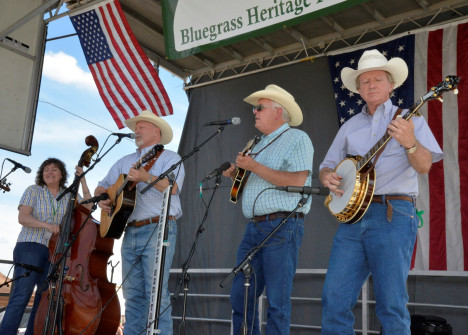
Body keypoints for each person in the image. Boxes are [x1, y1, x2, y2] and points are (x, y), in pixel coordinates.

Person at [319, 49, 444, 334]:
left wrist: (410, 142)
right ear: (358, 89)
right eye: (365, 81)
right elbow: (326, 166)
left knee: (391, 304)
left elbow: (425, 166)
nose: (371, 85)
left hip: (393, 213)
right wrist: (328, 177)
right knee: (334, 299)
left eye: (377, 79)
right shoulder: (350, 126)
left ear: (391, 85)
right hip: (352, 220)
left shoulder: (410, 120)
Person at [222, 84, 314, 334]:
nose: (254, 112)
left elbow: (297, 181)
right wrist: (236, 176)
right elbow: (251, 183)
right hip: (253, 227)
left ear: (278, 111)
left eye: (259, 107)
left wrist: (253, 167)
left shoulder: (297, 138)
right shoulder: (255, 143)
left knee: (277, 300)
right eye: (255, 108)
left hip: (282, 225)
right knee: (241, 295)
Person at [94, 110, 185, 335]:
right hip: (130, 230)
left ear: (157, 131)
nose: (136, 131)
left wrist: (145, 177)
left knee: (156, 294)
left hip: (159, 227)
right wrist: (104, 200)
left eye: (141, 126)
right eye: (135, 127)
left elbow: (172, 189)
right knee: (132, 295)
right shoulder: (124, 161)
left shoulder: (170, 158)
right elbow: (101, 186)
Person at [0, 158, 92, 335]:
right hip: (31, 246)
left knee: (42, 301)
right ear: (42, 174)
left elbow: (88, 207)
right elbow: (23, 218)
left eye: (54, 169)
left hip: (55, 252)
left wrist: (84, 182)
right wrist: (47, 225)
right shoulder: (34, 190)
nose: (49, 172)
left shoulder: (69, 195)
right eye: (46, 170)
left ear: (62, 174)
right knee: (21, 296)